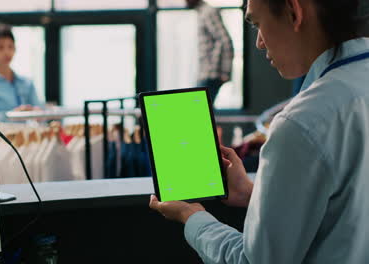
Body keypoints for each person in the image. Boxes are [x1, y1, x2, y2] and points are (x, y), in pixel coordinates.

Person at [150, 0, 369, 263]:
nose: (260, 43)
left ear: (293, 11)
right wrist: (255, 195)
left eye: (257, 24)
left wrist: (192, 216)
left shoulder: (301, 123)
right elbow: (348, 210)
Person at [0, 24, 42, 122]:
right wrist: (14, 114)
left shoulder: (27, 83)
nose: (7, 52)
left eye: (10, 47)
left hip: (26, 135)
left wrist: (37, 113)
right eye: (0, 47)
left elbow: (40, 114)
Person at [187, 0, 234, 104]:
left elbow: (225, 40)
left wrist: (225, 71)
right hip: (205, 74)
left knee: (199, 113)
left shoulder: (208, 12)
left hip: (211, 74)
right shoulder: (201, 13)